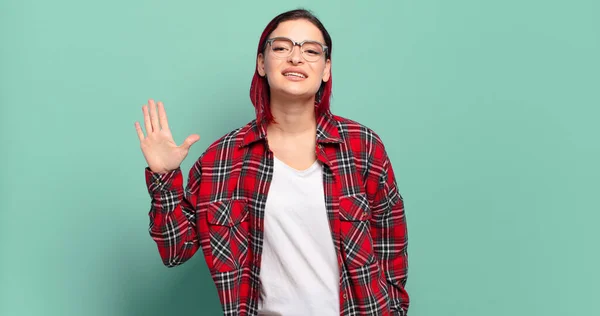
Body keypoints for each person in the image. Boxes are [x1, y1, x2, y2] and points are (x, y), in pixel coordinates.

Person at [134, 8, 409, 316]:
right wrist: (164, 176)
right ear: (261, 63)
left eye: (311, 50)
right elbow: (175, 249)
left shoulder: (362, 147)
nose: (296, 58)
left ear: (326, 68)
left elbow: (391, 248)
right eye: (281, 47)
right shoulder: (223, 158)